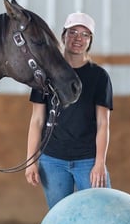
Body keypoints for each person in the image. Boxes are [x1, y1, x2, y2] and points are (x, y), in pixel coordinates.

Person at [24, 11, 113, 209]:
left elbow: (103, 123)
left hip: (87, 160)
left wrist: (99, 163)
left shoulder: (99, 77)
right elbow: (37, 120)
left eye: (85, 34)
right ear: (63, 36)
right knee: (60, 217)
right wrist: (31, 161)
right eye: (73, 32)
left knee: (100, 212)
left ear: (90, 41)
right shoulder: (45, 74)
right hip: (53, 160)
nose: (78, 39)